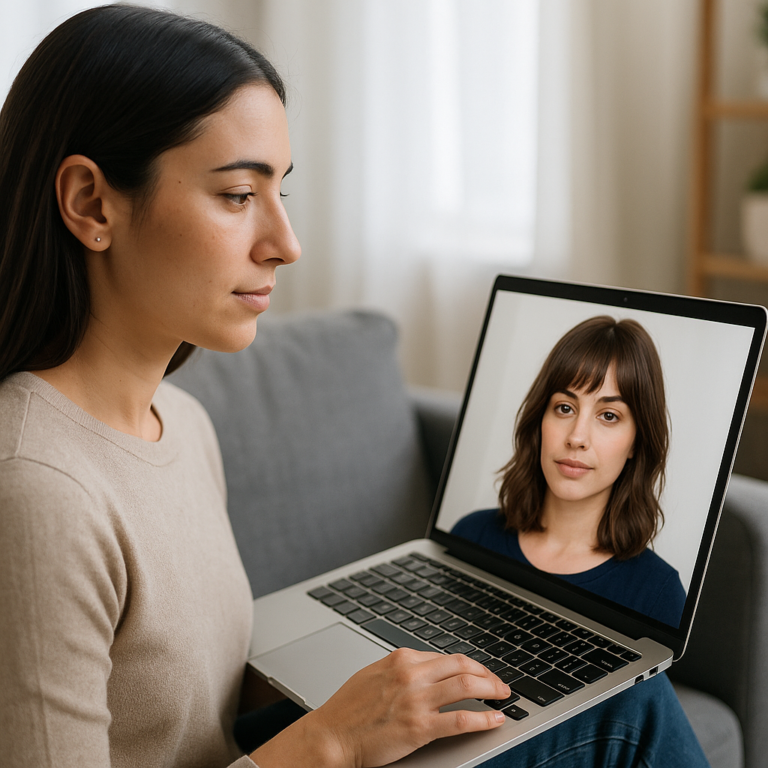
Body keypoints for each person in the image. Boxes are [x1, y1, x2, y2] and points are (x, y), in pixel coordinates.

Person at [0, 6, 708, 767]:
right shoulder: (39, 491)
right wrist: (331, 740)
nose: (286, 244)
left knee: (609, 692)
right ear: (91, 203)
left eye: (282, 195)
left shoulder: (179, 420)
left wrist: (384, 689)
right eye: (239, 195)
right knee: (634, 710)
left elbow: (192, 711)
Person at [452, 316, 686, 627]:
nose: (576, 437)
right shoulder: (471, 536)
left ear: (636, 443)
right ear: (539, 421)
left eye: (608, 415)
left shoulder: (657, 593)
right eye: (565, 408)